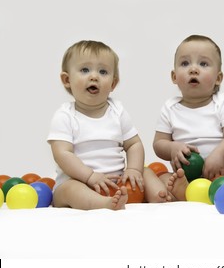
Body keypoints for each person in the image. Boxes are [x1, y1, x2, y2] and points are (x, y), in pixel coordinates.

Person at [47, 40, 171, 210]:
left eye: (103, 71)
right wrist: (90, 176)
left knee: (145, 172)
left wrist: (133, 170)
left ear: (113, 84)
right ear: (67, 80)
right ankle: (103, 203)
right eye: (84, 70)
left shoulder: (117, 111)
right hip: (79, 181)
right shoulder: (65, 115)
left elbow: (134, 144)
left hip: (117, 182)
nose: (94, 76)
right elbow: (62, 154)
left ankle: (160, 196)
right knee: (69, 190)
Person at [153, 35, 224, 200]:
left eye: (203, 64)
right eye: (185, 63)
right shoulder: (170, 108)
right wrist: (173, 148)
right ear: (174, 76)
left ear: (218, 78)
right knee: (157, 176)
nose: (193, 69)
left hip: (219, 171)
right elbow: (158, 143)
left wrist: (219, 155)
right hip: (184, 173)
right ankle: (183, 189)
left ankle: (194, 193)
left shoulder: (222, 102)